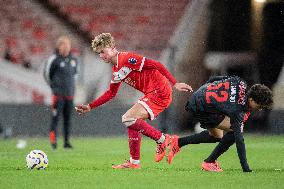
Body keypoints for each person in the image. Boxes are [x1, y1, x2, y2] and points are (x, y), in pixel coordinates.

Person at [75, 33, 192, 169]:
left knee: (127, 118)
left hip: (160, 91)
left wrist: (175, 83)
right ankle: (134, 163)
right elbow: (111, 93)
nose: (101, 56)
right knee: (132, 121)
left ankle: (164, 140)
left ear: (113, 48)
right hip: (152, 93)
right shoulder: (116, 70)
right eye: (99, 53)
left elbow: (156, 65)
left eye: (103, 51)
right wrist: (90, 106)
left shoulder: (127, 59)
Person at [166, 75, 273, 172]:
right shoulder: (237, 111)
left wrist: (206, 90)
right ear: (252, 99)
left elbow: (214, 79)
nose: (259, 109)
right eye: (260, 106)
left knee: (216, 136)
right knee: (233, 133)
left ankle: (178, 142)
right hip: (200, 108)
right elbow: (240, 140)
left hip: (200, 94)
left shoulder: (240, 82)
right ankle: (209, 162)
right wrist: (246, 168)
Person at [44, 36, 79, 149]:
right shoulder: (54, 59)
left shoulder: (73, 60)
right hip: (58, 95)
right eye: (64, 45)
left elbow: (75, 75)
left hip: (69, 95)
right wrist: (54, 87)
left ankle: (66, 142)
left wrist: (72, 88)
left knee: (67, 119)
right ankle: (53, 142)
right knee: (55, 118)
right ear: (59, 47)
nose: (66, 48)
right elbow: (47, 75)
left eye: (68, 46)